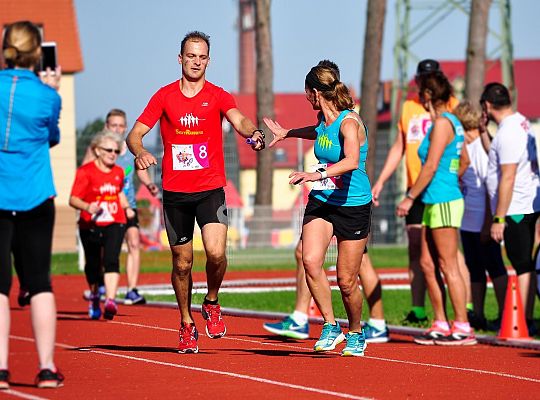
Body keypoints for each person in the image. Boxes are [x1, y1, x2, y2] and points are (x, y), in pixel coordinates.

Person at [126, 31, 264, 354]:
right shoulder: (164, 97)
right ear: (180, 58)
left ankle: (212, 300)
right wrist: (139, 151)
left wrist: (254, 132)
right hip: (176, 193)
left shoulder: (218, 95)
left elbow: (239, 119)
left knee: (216, 253)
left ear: (208, 61)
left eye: (202, 57)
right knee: (182, 264)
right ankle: (187, 323)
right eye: (191, 56)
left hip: (210, 189)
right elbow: (135, 134)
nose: (196, 62)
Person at [264, 61, 372, 357]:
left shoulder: (350, 122)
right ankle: (330, 325)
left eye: (305, 91)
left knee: (347, 281)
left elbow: (351, 160)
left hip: (353, 204)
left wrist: (316, 175)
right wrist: (288, 133)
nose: (304, 95)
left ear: (314, 92)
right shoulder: (324, 121)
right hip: (324, 201)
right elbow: (317, 133)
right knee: (310, 260)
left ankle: (356, 332)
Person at [372, 59, 461, 325]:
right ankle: (421, 309)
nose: (425, 85)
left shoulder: (450, 108)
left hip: (441, 189)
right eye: (422, 79)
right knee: (420, 253)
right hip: (416, 188)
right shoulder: (409, 108)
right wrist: (381, 181)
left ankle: (464, 312)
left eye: (430, 80)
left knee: (449, 256)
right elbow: (398, 147)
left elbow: (463, 148)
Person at [0, 20, 64, 389]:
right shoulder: (47, 96)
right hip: (36, 195)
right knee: (39, 283)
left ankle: (1, 369)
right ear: (36, 53)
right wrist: (49, 90)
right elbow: (51, 137)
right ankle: (45, 367)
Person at [396, 71, 476, 345]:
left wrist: (410, 197)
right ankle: (441, 322)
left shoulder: (444, 123)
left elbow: (430, 166)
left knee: (447, 264)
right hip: (435, 199)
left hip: (442, 200)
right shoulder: (445, 122)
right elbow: (463, 159)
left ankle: (462, 326)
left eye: (421, 93)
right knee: (428, 264)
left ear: (428, 95)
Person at [82, 109, 159, 305]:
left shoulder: (129, 148)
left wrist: (149, 184)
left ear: (126, 127)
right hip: (104, 208)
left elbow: (139, 169)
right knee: (103, 250)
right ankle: (99, 284)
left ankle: (132, 290)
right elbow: (85, 171)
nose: (117, 129)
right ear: (107, 127)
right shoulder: (98, 149)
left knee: (134, 242)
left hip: (127, 206)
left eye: (120, 125)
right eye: (113, 125)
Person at [482, 82, 539, 335]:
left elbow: (507, 176)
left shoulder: (508, 133)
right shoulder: (518, 123)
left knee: (522, 264)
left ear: (487, 105)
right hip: (526, 201)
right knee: (523, 262)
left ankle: (524, 319)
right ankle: (526, 317)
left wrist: (498, 217)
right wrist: (485, 134)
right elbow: (498, 157)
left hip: (516, 205)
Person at [263, 241, 389, 343]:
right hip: (331, 210)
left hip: (345, 211)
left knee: (359, 260)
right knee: (360, 259)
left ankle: (376, 324)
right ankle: (300, 318)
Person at [454, 101, 507, 330]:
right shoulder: (466, 149)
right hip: (468, 222)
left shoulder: (481, 151)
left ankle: (506, 313)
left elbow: (489, 189)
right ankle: (478, 313)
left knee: (494, 267)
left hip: (482, 221)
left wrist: (488, 222)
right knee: (475, 269)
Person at [70, 130, 133, 321]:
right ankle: (95, 295)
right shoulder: (85, 172)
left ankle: (111, 300)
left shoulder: (119, 172)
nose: (113, 154)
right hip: (90, 224)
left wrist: (128, 208)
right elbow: (73, 199)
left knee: (112, 260)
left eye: (116, 151)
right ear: (97, 150)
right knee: (93, 265)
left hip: (115, 220)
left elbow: (119, 192)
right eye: (109, 150)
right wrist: (88, 206)